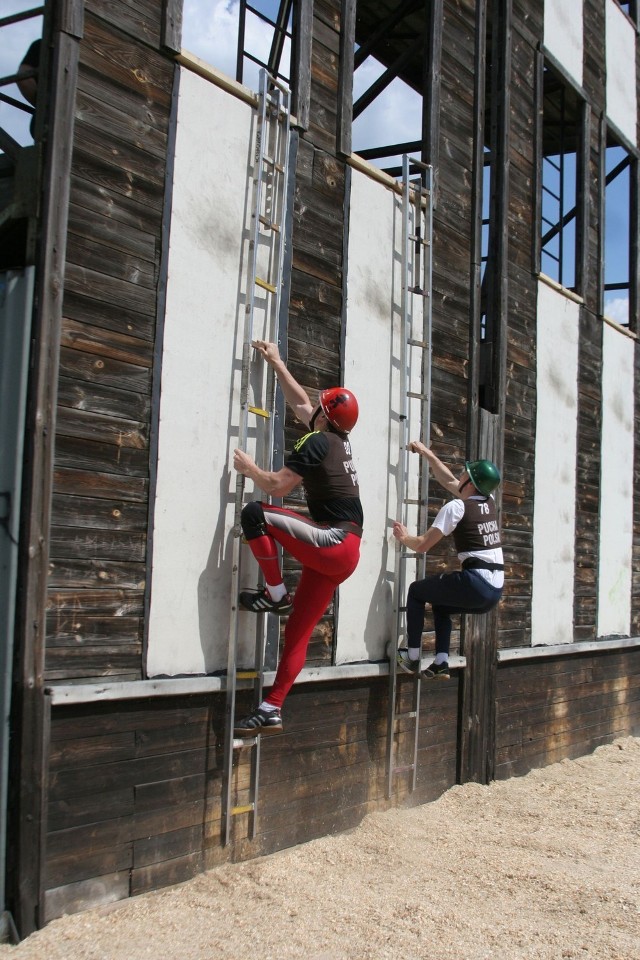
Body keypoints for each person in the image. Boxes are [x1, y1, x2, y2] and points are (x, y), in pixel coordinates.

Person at [232, 340, 363, 735]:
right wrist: (276, 363)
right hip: (344, 553)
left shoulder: (317, 441)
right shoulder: (336, 439)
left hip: (333, 542)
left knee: (256, 513)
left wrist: (250, 468)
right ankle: (272, 707)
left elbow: (278, 486)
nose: (314, 409)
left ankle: (274, 592)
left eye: (320, 407)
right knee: (297, 633)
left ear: (326, 414)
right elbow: (301, 404)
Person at [392, 442, 503, 679]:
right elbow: (448, 480)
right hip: (494, 592)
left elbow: (422, 545)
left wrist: (404, 538)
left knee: (416, 591)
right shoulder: (488, 500)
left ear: (471, 483)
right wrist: (428, 454)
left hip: (476, 582)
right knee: (441, 606)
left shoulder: (457, 507)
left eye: (466, 473)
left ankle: (411, 657)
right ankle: (441, 661)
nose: (461, 475)